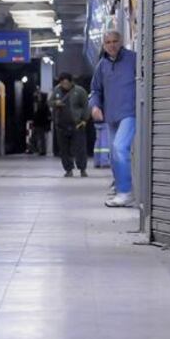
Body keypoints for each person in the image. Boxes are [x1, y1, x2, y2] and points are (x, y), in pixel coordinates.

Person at [91, 30, 137, 208]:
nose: (112, 45)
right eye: (108, 42)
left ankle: (125, 192)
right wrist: (95, 106)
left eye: (115, 41)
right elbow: (95, 90)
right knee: (114, 154)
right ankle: (120, 189)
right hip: (111, 116)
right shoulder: (102, 65)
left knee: (119, 148)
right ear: (104, 45)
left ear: (121, 42)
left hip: (130, 112)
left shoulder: (133, 59)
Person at [49, 73, 90, 177]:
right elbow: (49, 102)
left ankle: (82, 169)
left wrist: (85, 120)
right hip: (61, 125)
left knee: (80, 148)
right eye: (62, 83)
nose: (64, 85)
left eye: (66, 83)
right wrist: (55, 103)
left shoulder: (79, 91)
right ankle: (68, 169)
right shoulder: (56, 90)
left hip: (77, 124)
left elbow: (86, 106)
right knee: (64, 150)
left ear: (71, 82)